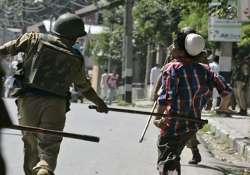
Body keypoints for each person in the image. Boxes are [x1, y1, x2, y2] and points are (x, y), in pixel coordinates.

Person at [0, 13, 108, 175]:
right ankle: (44, 169)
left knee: (30, 144)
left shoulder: (33, 38)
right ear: (74, 37)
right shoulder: (75, 58)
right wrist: (99, 103)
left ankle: (33, 171)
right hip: (56, 105)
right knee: (49, 147)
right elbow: (84, 88)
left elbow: (4, 50)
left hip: (29, 102)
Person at [153, 32, 231, 175]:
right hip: (193, 123)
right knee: (174, 152)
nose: (171, 48)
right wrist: (222, 107)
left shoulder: (172, 68)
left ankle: (170, 168)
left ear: (182, 50)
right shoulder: (206, 69)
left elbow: (166, 97)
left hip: (173, 123)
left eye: (174, 46)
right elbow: (226, 92)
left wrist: (158, 118)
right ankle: (173, 165)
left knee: (166, 156)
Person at [152, 27, 204, 165]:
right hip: (190, 110)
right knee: (186, 130)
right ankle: (189, 154)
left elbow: (166, 94)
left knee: (173, 138)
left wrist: (158, 115)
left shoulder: (180, 62)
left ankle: (189, 154)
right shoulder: (194, 60)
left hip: (180, 110)